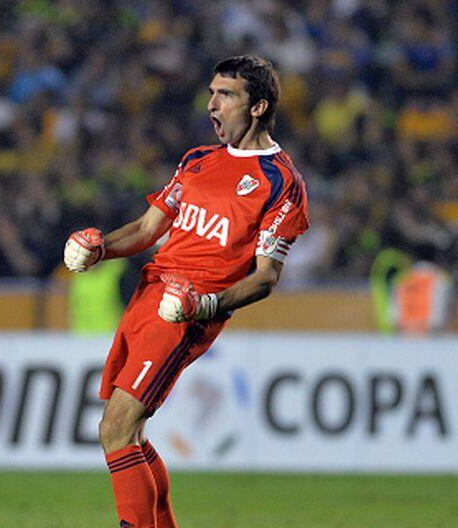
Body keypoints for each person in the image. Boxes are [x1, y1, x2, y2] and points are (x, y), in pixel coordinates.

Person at [63, 55, 309, 528]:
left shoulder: (281, 183)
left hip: (186, 312)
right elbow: (146, 228)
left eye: (225, 95)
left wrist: (204, 306)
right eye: (211, 93)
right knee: (128, 433)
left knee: (116, 429)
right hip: (148, 298)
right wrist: (99, 248)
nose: (211, 104)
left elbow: (265, 278)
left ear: (257, 107)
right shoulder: (197, 160)